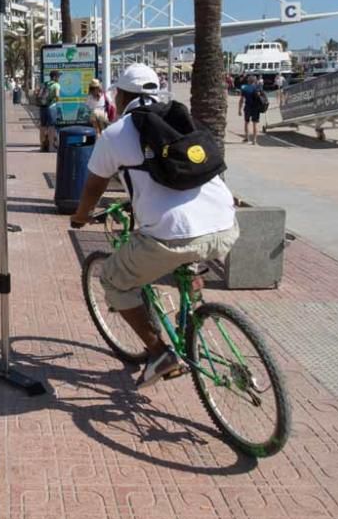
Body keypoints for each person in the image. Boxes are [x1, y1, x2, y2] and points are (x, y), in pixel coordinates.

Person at [70, 63, 239, 389]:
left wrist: (80, 217)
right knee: (188, 247)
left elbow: (93, 186)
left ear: (119, 95)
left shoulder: (117, 134)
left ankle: (160, 352)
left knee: (115, 280)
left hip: (170, 237)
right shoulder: (183, 119)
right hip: (225, 223)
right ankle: (193, 298)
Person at [38, 70, 61, 151]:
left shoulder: (44, 84)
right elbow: (57, 95)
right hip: (51, 107)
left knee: (42, 127)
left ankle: (41, 146)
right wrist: (58, 101)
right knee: (51, 127)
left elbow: (39, 94)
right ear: (54, 77)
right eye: (58, 76)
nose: (59, 78)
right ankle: (51, 147)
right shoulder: (56, 85)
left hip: (42, 107)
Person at [238, 75, 264, 145]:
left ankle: (247, 138)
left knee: (246, 122)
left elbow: (241, 100)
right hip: (256, 108)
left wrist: (239, 109)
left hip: (248, 107)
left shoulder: (245, 88)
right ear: (255, 81)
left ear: (248, 80)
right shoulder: (258, 88)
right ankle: (254, 140)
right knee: (255, 124)